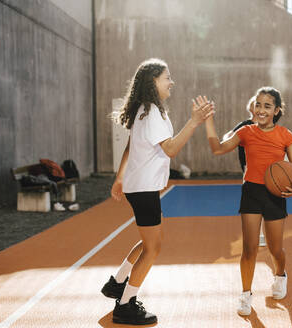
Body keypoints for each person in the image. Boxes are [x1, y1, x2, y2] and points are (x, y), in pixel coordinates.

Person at [101, 58, 214, 325]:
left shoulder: (146, 110)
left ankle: (117, 283)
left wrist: (119, 178)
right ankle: (125, 305)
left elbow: (131, 144)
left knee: (149, 242)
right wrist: (194, 121)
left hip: (140, 186)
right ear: (153, 81)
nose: (171, 81)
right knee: (153, 248)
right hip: (144, 188)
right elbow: (171, 149)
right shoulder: (151, 111)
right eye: (167, 77)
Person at [204, 86, 292, 316]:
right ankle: (246, 294)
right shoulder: (246, 132)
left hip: (275, 195)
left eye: (267, 106)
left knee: (275, 249)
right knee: (249, 249)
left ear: (277, 110)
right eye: (258, 104)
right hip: (251, 191)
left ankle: (280, 275)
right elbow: (217, 149)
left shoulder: (285, 135)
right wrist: (209, 120)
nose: (261, 109)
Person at [223, 96, 266, 247]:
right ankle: (257, 235)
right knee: (254, 204)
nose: (261, 108)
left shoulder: (267, 125)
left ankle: (266, 234)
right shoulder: (245, 125)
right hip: (249, 170)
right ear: (252, 108)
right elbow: (227, 137)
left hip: (267, 170)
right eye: (257, 105)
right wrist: (234, 138)